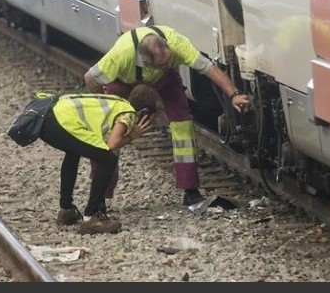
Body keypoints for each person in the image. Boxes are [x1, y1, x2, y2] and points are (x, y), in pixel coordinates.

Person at [83, 25, 251, 206]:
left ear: (168, 48)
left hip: (165, 82)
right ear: (146, 63)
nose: (167, 64)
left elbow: (209, 68)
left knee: (183, 125)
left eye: (169, 60)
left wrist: (234, 94)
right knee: (110, 134)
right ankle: (99, 196)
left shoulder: (177, 44)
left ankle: (191, 191)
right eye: (162, 64)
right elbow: (90, 78)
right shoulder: (121, 55)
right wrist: (105, 110)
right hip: (124, 84)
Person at [39, 84, 163, 234]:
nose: (154, 122)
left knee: (73, 151)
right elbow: (112, 144)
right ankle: (91, 217)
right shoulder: (128, 114)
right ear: (144, 112)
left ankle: (66, 210)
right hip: (60, 119)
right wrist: (132, 136)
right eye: (153, 117)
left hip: (50, 115)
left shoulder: (119, 103)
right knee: (108, 160)